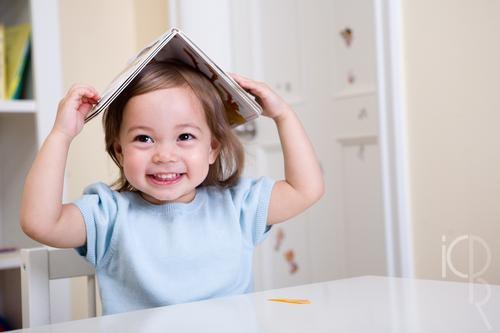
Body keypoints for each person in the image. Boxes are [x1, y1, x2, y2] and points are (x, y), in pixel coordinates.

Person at [20, 61, 324, 315]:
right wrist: (61, 135)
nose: (164, 155)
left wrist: (283, 115)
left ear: (212, 149)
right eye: (144, 138)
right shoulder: (109, 215)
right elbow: (40, 223)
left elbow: (305, 189)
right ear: (120, 151)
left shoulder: (237, 206)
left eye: (185, 137)